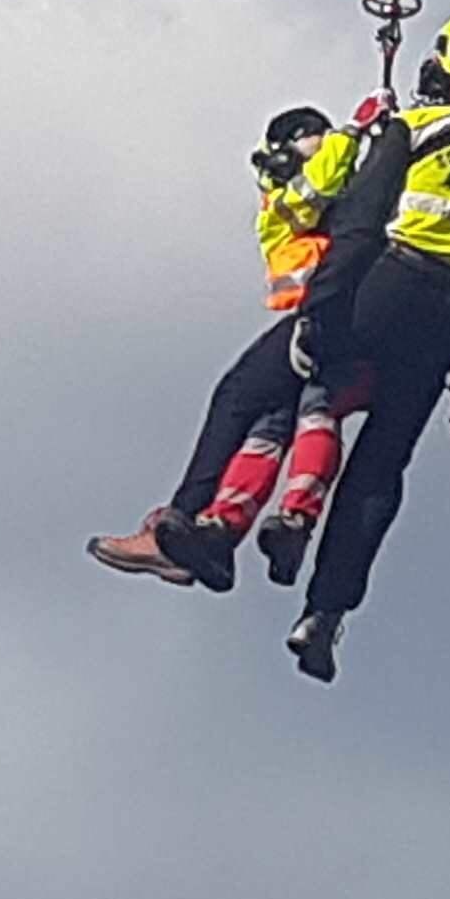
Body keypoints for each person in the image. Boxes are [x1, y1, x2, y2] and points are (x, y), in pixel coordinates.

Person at [89, 14, 450, 682]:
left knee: (246, 389)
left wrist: (319, 314)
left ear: (441, 67)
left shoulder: (414, 130)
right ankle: (325, 615)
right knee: (378, 471)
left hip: (383, 291)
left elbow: (360, 228)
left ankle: (181, 532)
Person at [94, 103, 367, 592]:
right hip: (326, 313)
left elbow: (330, 188)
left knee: (246, 399)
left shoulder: (335, 181)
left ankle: (191, 521)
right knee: (274, 412)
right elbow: (317, 191)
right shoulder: (290, 200)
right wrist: (351, 133)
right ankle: (216, 530)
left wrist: (355, 135)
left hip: (333, 313)